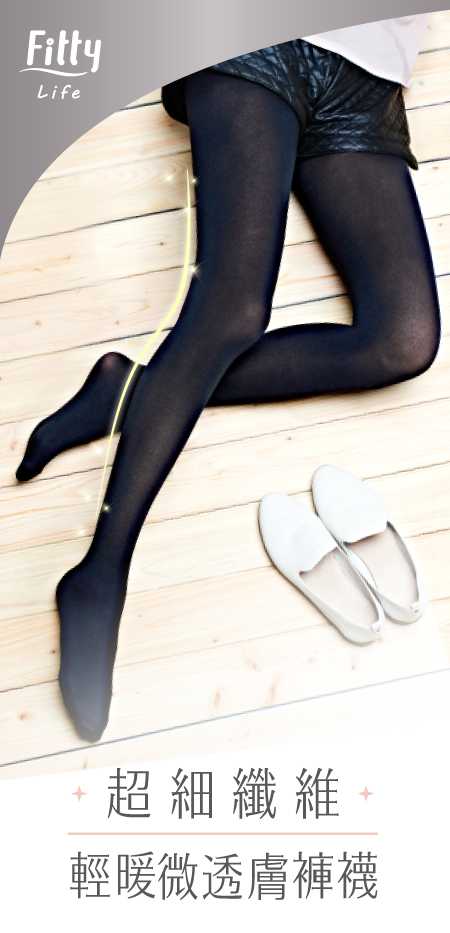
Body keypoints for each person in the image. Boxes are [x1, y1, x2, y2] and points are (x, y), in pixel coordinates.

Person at [16, 16, 440, 742]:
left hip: (368, 73)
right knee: (231, 309)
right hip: (257, 39)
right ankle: (98, 572)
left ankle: (125, 390)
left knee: (403, 340)